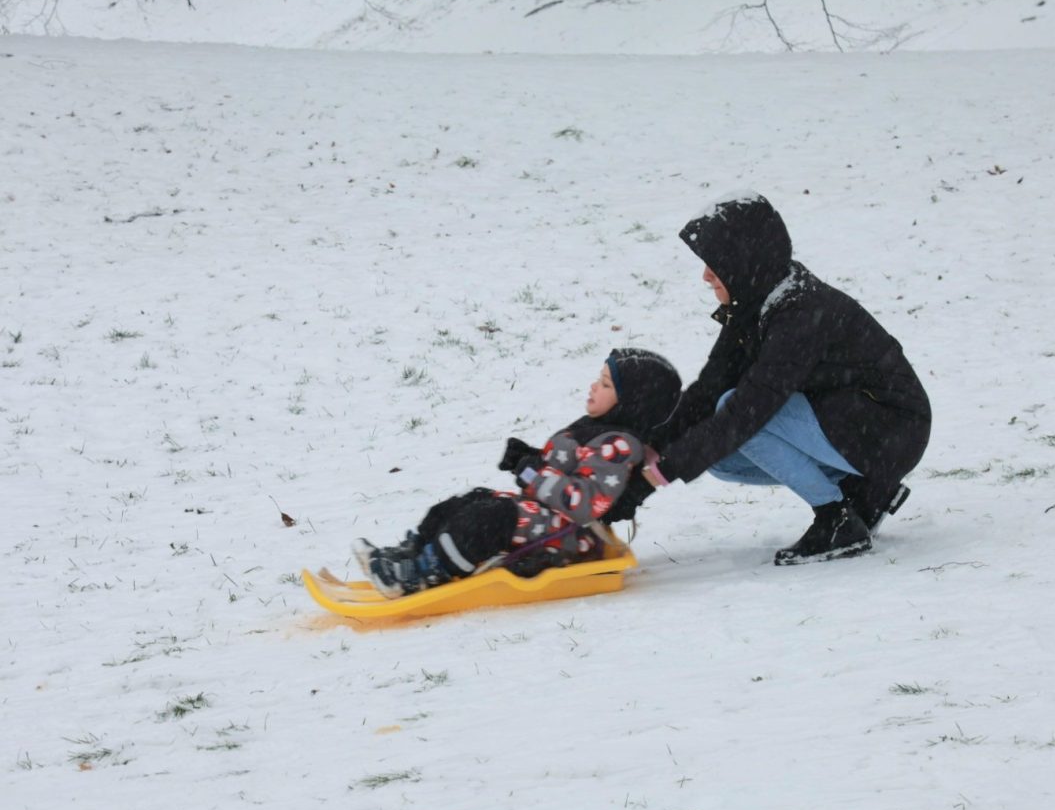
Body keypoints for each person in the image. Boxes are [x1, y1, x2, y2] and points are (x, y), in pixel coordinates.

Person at [634, 191, 931, 565]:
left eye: (714, 264)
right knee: (721, 456)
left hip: (891, 430)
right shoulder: (755, 300)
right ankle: (864, 492)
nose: (705, 276)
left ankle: (836, 519)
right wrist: (650, 448)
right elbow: (709, 389)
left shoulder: (800, 314)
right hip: (850, 425)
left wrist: (653, 480)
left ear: (742, 261)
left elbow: (751, 409)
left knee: (737, 417)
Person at [352, 348, 682, 597]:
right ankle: (414, 552)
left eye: (606, 384)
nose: (593, 387)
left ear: (633, 402)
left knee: (489, 518)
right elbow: (566, 468)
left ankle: (421, 574)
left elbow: (583, 505)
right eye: (599, 379)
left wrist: (530, 472)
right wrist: (529, 457)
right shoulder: (599, 429)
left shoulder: (619, 445)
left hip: (569, 538)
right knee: (471, 501)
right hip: (546, 518)